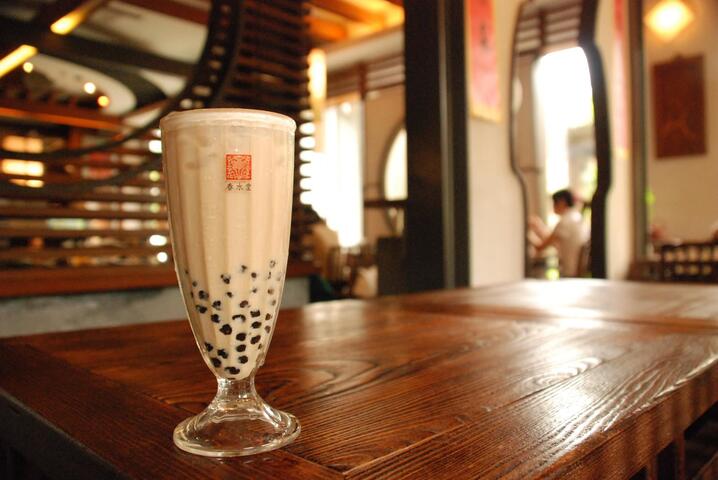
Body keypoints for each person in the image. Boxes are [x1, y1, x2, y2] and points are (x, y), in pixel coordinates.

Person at [529, 189, 588, 277]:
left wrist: (527, 232)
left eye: (553, 203)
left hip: (569, 273)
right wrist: (538, 226)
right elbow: (553, 240)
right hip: (579, 271)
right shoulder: (576, 217)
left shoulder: (565, 222)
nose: (552, 207)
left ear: (561, 202)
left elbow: (540, 247)